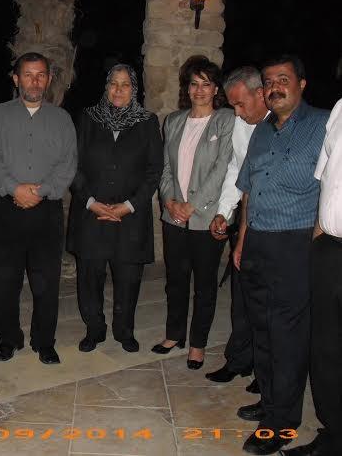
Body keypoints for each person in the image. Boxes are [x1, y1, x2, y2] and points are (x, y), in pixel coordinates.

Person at [234, 55, 329, 455]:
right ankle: (270, 400)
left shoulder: (324, 125)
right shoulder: (262, 130)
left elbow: (334, 186)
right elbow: (248, 189)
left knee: (287, 335)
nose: (275, 87)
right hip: (257, 240)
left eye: (283, 79)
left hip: (294, 244)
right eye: (269, 81)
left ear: (302, 84)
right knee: (261, 329)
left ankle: (282, 422)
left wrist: (317, 238)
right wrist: (241, 240)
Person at [0, 52, 77, 364]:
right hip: (6, 210)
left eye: (40, 75)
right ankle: (9, 340)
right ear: (16, 78)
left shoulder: (61, 119)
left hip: (46, 212)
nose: (34, 81)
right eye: (28, 75)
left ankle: (44, 341)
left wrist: (41, 191)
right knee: (4, 281)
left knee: (46, 282)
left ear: (48, 79)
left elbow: (68, 163)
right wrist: (14, 188)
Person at [67, 63, 163, 353]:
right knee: (89, 278)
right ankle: (94, 329)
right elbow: (73, 165)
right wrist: (91, 202)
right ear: (106, 87)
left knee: (128, 279)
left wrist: (129, 206)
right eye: (114, 83)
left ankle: (124, 331)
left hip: (130, 217)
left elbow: (154, 171)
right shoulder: (88, 118)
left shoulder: (147, 122)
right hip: (90, 214)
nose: (119, 90)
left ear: (134, 89)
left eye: (125, 84)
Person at [153, 56, 234, 371]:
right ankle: (174, 334)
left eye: (206, 84)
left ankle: (197, 343)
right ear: (186, 88)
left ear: (216, 89)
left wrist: (192, 204)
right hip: (174, 216)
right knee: (175, 279)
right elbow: (165, 168)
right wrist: (170, 201)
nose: (199, 90)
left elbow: (222, 168)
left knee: (204, 284)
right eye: (194, 84)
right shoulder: (173, 121)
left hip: (206, 217)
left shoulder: (225, 120)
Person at [279, 97, 342, 456]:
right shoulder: (340, 110)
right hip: (330, 247)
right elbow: (326, 180)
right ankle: (334, 434)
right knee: (326, 350)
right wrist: (318, 239)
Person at [204, 66, 269, 393]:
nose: (238, 113)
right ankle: (239, 359)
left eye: (241, 104)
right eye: (233, 106)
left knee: (268, 302)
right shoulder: (242, 124)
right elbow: (235, 170)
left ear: (261, 93)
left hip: (276, 223)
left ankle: (265, 370)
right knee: (241, 295)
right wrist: (223, 212)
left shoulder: (283, 124)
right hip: (247, 217)